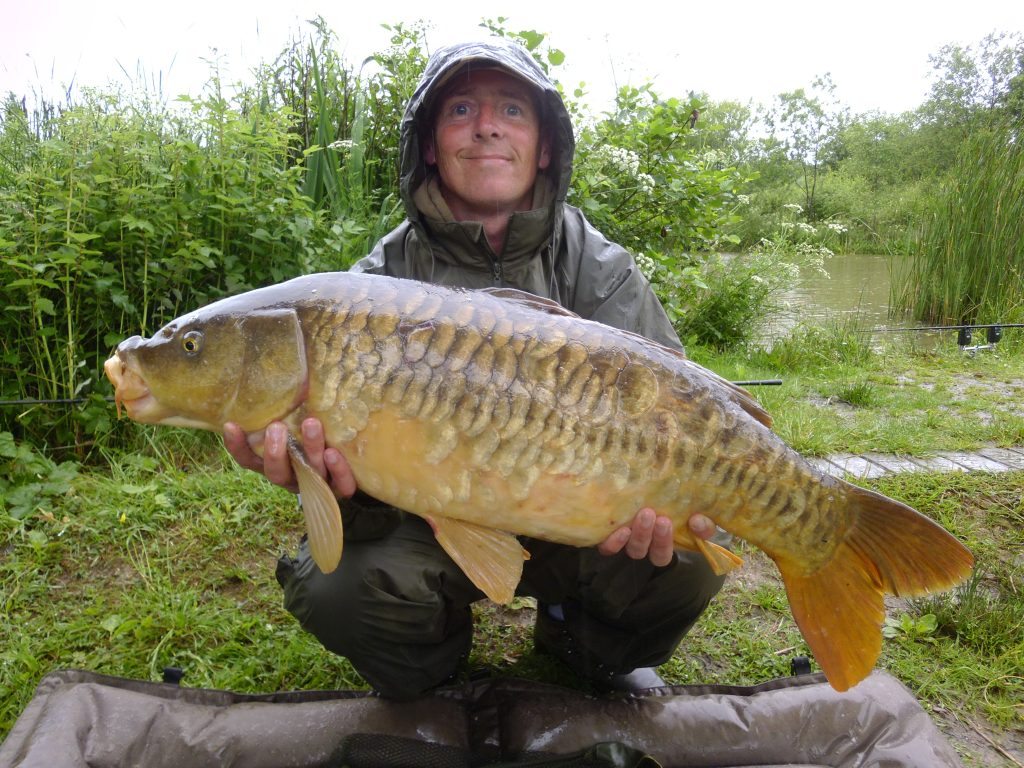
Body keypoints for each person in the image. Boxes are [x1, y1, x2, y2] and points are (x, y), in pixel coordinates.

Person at [225, 39, 726, 698]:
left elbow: (679, 413)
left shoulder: (598, 269)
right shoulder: (370, 290)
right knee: (341, 587)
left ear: (544, 147)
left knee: (688, 562)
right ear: (430, 145)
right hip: (432, 526)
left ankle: (584, 647)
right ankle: (431, 671)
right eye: (461, 109)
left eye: (511, 110)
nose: (487, 125)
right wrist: (340, 491)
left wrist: (669, 500)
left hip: (581, 521)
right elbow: (363, 505)